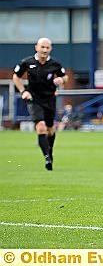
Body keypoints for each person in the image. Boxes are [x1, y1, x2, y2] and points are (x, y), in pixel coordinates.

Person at [12, 37, 68, 170]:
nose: (44, 50)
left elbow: (65, 77)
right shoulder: (27, 62)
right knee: (41, 127)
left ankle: (50, 151)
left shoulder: (55, 64)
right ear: (36, 47)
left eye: (47, 47)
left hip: (49, 99)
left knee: (50, 129)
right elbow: (16, 77)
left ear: (51, 49)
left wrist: (61, 79)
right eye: (42, 47)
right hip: (34, 99)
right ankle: (47, 158)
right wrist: (23, 91)